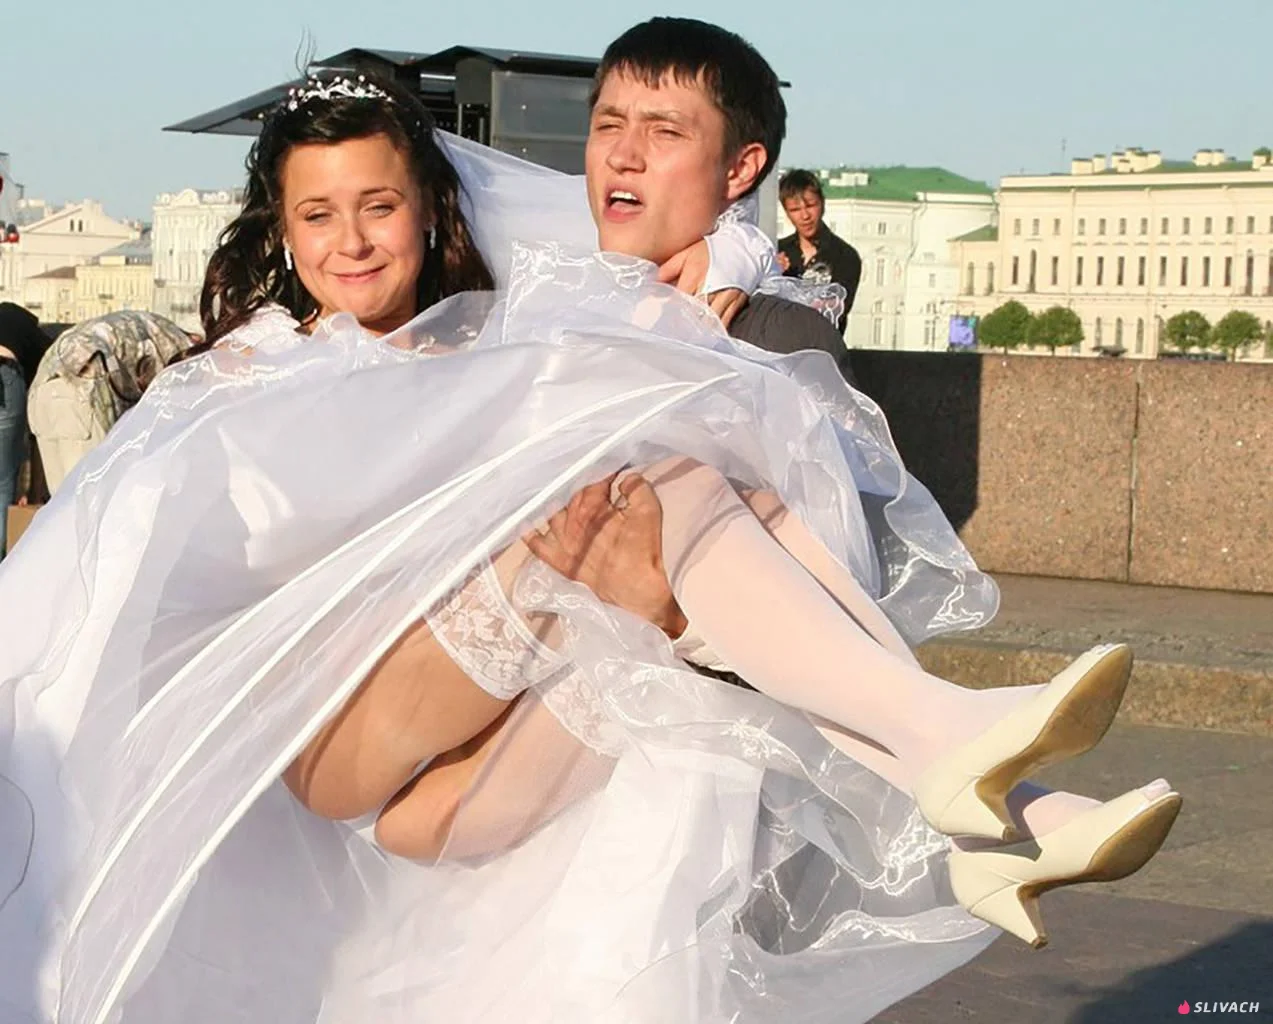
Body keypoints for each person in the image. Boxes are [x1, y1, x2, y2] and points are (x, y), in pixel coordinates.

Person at [0, 47, 1178, 1024]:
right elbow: (108, 579)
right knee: (668, 488)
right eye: (318, 214)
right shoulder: (252, 374)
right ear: (283, 226)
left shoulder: (489, 338)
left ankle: (993, 809)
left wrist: (721, 272)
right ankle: (960, 760)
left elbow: (627, 257)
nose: (350, 241)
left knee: (705, 533)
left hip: (457, 787)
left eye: (378, 206)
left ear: (428, 208)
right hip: (340, 744)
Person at [26, 310, 197, 492]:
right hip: (82, 392)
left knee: (61, 497)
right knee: (90, 493)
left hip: (43, 388)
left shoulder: (148, 324)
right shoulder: (177, 344)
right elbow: (168, 408)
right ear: (197, 337)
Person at [777, 169, 863, 333]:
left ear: (822, 204)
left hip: (821, 344)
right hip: (779, 344)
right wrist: (771, 274)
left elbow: (835, 311)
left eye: (810, 205)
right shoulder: (778, 252)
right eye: (795, 210)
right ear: (786, 213)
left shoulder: (845, 256)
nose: (805, 216)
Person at [0, 303, 49, 557]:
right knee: (3, 480)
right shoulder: (39, 343)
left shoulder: (10, 321)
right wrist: (31, 490)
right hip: (6, 374)